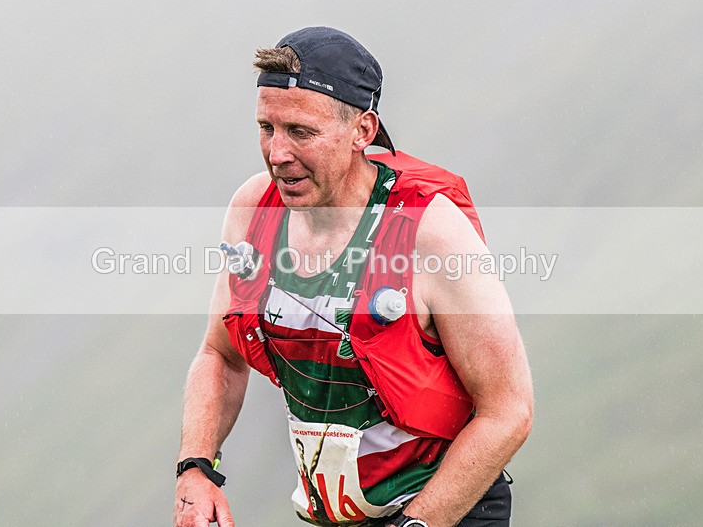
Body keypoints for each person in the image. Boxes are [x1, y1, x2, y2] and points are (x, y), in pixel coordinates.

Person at [174, 27, 533, 527]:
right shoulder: (253, 209)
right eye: (266, 127)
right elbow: (220, 354)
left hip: (442, 514)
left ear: (362, 131)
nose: (277, 153)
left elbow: (509, 409)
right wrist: (196, 469)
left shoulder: (430, 232)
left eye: (300, 132)